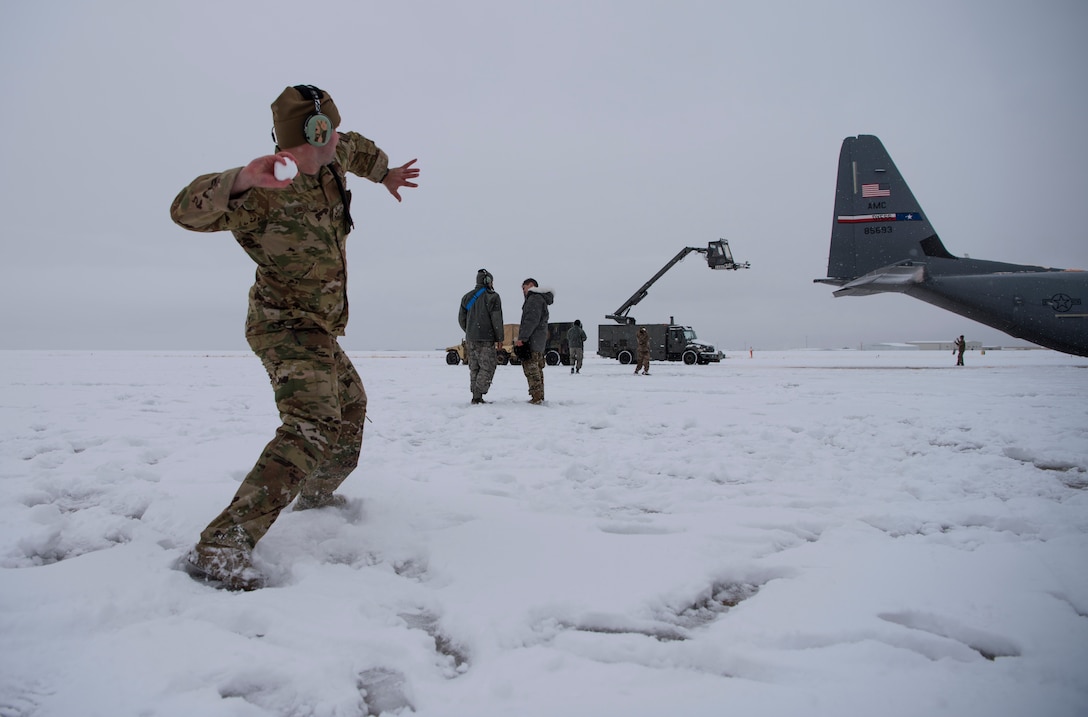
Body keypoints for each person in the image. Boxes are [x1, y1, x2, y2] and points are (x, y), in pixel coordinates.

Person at [168, 84, 420, 590]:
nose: (326, 151)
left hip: (319, 327)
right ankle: (220, 547)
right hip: (281, 323)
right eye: (312, 145)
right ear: (286, 145)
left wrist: (387, 173)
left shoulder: (336, 153)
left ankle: (317, 496)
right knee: (311, 424)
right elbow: (183, 210)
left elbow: (360, 150)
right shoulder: (264, 187)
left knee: (351, 408)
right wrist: (238, 179)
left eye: (329, 140)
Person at [458, 269, 503, 404]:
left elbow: (461, 319)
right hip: (486, 339)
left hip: (470, 339)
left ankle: (476, 397)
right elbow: (497, 320)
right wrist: (499, 338)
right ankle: (479, 391)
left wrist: (470, 331)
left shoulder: (466, 297)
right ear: (487, 281)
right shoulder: (493, 297)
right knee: (488, 366)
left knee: (475, 367)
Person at [515, 278, 554, 404]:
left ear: (531, 285)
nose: (523, 291)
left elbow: (530, 321)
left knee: (532, 370)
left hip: (532, 342)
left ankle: (536, 397)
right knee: (537, 369)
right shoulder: (540, 299)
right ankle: (539, 396)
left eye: (523, 288)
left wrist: (522, 338)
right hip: (538, 343)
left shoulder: (534, 299)